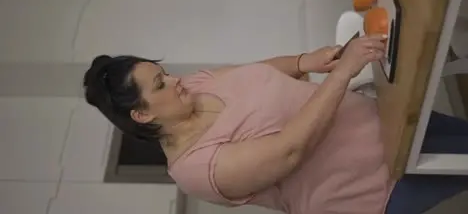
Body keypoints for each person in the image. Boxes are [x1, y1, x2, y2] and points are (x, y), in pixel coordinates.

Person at [83, 34, 468, 214]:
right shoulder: (195, 169)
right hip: (378, 183)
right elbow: (289, 151)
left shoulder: (196, 86)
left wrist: (305, 61)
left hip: (382, 121)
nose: (176, 80)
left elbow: (254, 72)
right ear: (142, 114)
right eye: (161, 84)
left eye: (165, 73)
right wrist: (344, 72)